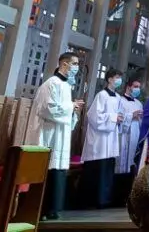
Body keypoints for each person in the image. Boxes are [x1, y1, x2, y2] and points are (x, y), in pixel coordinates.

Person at [25, 52, 84, 220]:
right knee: (48, 171)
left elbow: (64, 111)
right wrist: (70, 106)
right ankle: (40, 210)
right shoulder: (51, 83)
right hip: (48, 135)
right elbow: (47, 109)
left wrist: (73, 111)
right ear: (64, 64)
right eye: (74, 64)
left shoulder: (66, 86)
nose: (76, 67)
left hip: (60, 135)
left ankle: (53, 209)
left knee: (58, 171)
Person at [80, 69, 125, 208]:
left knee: (108, 168)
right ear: (110, 79)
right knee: (97, 169)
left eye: (120, 78)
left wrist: (120, 118)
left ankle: (105, 199)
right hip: (99, 140)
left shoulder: (118, 97)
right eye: (117, 77)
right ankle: (92, 201)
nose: (119, 80)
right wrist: (113, 118)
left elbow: (119, 115)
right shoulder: (101, 95)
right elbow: (94, 117)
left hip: (111, 139)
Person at [113, 79, 144, 206]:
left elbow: (141, 122)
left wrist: (140, 117)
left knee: (131, 164)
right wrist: (131, 116)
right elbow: (118, 118)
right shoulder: (120, 100)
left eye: (139, 87)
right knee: (120, 164)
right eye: (135, 86)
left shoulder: (139, 103)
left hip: (135, 135)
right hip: (123, 136)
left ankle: (128, 196)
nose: (138, 89)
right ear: (128, 87)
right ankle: (117, 197)